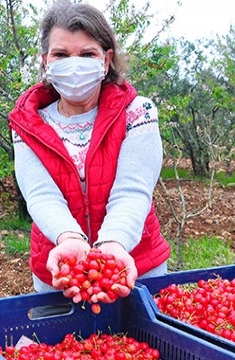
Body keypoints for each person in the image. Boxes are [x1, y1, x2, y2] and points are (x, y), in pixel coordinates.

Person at [10, 0, 170, 303]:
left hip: (135, 264)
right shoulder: (27, 122)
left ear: (106, 60)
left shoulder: (137, 112)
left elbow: (133, 190)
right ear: (45, 61)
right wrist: (69, 239)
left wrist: (113, 244)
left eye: (87, 54)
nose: (74, 64)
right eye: (61, 54)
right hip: (60, 268)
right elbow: (41, 194)